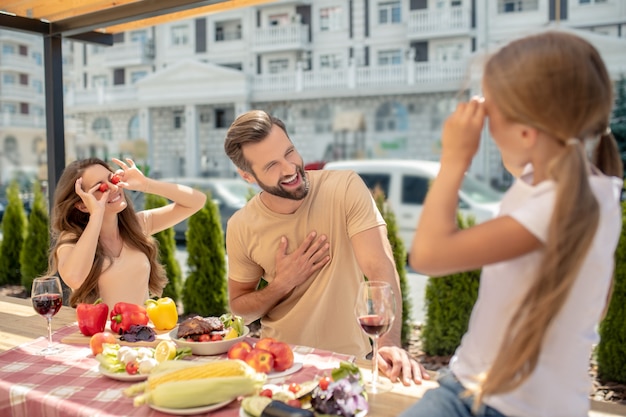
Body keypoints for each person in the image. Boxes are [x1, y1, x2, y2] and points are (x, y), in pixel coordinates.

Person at [402, 31, 623, 417]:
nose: (483, 122)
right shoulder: (586, 188)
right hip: (484, 392)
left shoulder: (555, 204)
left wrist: (454, 160)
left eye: (492, 112)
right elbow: (521, 158)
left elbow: (427, 256)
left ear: (526, 132)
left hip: (492, 404)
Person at [224, 110, 429, 386]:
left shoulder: (345, 187)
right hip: (278, 367)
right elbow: (240, 309)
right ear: (247, 176)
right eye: (271, 165)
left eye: (290, 152)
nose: (289, 168)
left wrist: (390, 343)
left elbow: (379, 266)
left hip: (349, 363)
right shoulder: (241, 225)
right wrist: (281, 284)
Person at [47, 157, 206, 309]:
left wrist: (146, 184)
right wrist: (96, 215)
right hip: (99, 335)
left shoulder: (137, 225)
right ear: (82, 205)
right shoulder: (71, 241)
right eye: (101, 188)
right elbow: (75, 279)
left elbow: (197, 201)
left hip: (141, 333)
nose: (114, 188)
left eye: (113, 179)